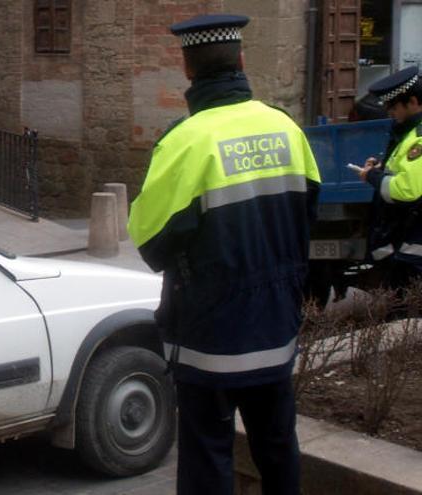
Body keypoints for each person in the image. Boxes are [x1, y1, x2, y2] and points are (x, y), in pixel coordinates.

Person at [127, 14, 321, 495]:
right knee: (278, 448)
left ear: (188, 71)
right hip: (276, 329)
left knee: (207, 455)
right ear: (240, 61)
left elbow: (149, 241)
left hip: (209, 340)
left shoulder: (184, 142)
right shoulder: (286, 130)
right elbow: (307, 216)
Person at [354, 66, 422, 288]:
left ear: (413, 102)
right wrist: (379, 168)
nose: (389, 112)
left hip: (414, 247)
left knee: (406, 313)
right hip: (405, 244)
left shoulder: (419, 138)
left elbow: (406, 190)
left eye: (393, 106)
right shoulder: (408, 131)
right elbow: (402, 170)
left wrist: (373, 177)